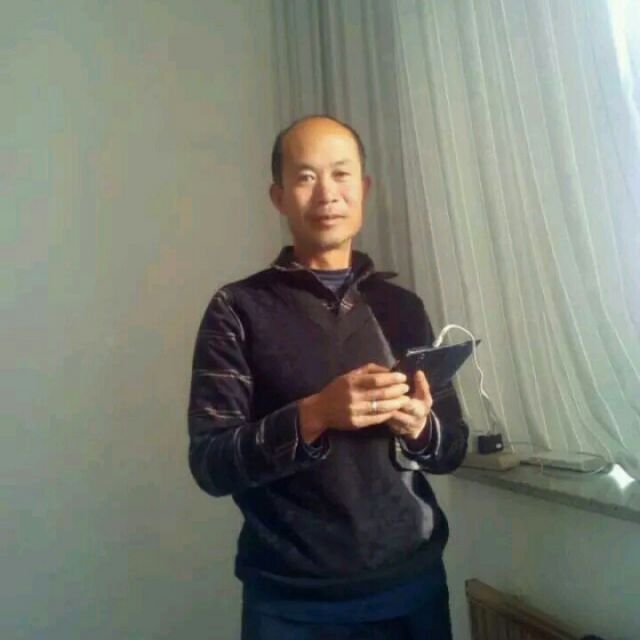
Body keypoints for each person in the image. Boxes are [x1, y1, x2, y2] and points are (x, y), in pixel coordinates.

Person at [187, 115, 469, 639]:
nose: (327, 193)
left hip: (413, 586)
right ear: (278, 197)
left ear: (364, 188)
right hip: (292, 604)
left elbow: (451, 448)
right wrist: (315, 414)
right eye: (305, 177)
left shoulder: (402, 308)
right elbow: (211, 464)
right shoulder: (238, 308)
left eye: (341, 174)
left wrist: (419, 428)